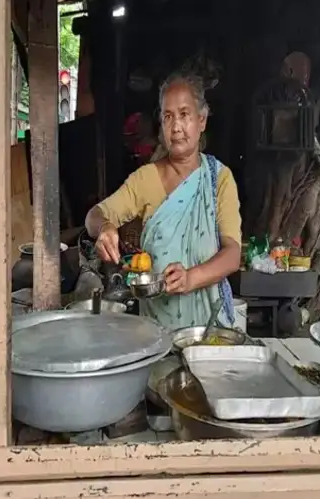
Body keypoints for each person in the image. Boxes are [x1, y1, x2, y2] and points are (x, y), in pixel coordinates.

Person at [85, 71, 242, 329]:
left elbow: (232, 254)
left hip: (208, 332)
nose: (176, 127)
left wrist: (191, 278)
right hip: (156, 330)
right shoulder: (146, 179)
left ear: (201, 120)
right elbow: (94, 216)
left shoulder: (219, 179)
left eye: (184, 114)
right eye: (168, 116)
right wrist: (105, 227)